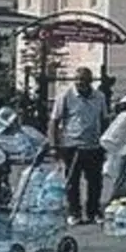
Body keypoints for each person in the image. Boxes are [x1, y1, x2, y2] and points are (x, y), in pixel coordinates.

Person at [48, 67, 110, 225]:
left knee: (95, 182)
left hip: (93, 145)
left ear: (90, 81)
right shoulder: (66, 96)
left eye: (83, 79)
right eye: (77, 79)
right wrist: (54, 146)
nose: (80, 82)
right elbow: (55, 121)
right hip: (72, 145)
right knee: (72, 182)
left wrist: (106, 142)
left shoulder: (99, 97)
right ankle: (74, 212)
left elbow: (104, 120)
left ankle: (93, 211)